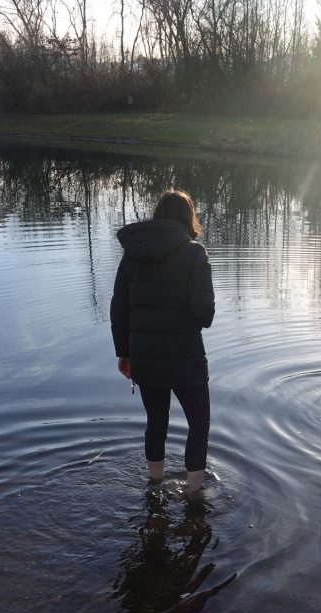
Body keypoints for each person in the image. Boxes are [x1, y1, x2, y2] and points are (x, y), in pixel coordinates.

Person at [110, 190, 215, 493]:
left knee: (156, 422)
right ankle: (194, 495)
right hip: (186, 357)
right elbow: (204, 314)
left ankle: (154, 485)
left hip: (145, 358)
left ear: (157, 216)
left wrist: (124, 354)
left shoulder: (132, 255)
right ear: (188, 218)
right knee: (198, 424)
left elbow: (119, 310)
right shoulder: (195, 253)